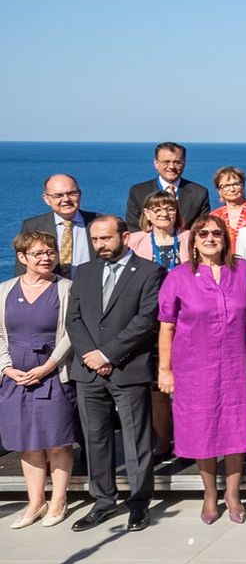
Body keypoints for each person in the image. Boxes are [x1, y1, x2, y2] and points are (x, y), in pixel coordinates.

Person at [156, 215, 246, 525]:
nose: (210, 238)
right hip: (195, 368)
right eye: (203, 233)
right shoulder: (178, 277)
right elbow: (166, 327)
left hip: (238, 365)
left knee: (237, 427)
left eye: (216, 233)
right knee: (201, 429)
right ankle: (209, 493)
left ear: (225, 239)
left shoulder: (243, 271)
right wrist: (165, 370)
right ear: (193, 241)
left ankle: (232, 493)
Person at [66, 216, 165, 532]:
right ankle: (103, 501)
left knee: (137, 440)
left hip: (128, 369)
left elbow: (146, 320)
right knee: (95, 438)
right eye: (95, 240)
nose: (100, 245)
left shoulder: (150, 271)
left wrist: (108, 354)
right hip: (88, 371)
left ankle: (139, 502)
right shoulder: (85, 272)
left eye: (106, 239)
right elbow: (73, 319)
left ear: (125, 237)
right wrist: (92, 356)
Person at [1, 231, 75, 528]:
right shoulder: (5, 290)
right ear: (22, 257)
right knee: (26, 442)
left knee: (57, 441)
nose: (46, 258)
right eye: (39, 253)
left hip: (53, 375)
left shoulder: (65, 288)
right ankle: (35, 501)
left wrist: (48, 366)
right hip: (15, 378)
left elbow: (71, 333)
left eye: (50, 252)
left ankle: (58, 499)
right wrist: (6, 368)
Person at [16, 174, 99, 279]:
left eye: (72, 193)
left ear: (80, 194)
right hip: (49, 287)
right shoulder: (32, 226)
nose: (66, 199)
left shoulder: (100, 223)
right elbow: (22, 268)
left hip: (92, 287)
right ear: (46, 199)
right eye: (58, 195)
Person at [125, 141, 211, 229]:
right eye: (166, 162)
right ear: (156, 163)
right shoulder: (138, 192)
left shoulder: (199, 193)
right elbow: (133, 227)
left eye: (177, 162)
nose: (171, 167)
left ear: (184, 163)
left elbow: (202, 228)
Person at [127, 191, 191, 269]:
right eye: (158, 210)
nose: (164, 214)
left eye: (170, 209)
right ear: (147, 213)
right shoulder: (133, 241)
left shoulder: (191, 238)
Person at [209, 166, 246, 243]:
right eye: (226, 186)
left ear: (243, 186)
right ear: (219, 190)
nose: (232, 189)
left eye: (236, 184)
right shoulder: (214, 216)